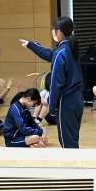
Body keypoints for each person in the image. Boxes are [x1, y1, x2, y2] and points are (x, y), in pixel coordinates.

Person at [19, 16, 84, 148]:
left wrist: (52, 106)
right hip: (78, 100)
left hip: (66, 102)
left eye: (54, 30)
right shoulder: (70, 49)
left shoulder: (61, 53)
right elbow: (50, 54)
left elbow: (55, 84)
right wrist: (31, 45)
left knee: (67, 143)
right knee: (73, 139)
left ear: (58, 31)